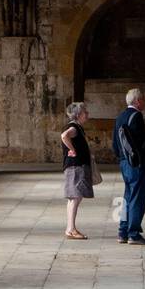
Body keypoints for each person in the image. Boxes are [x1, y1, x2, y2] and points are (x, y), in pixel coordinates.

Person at [113, 88, 145, 245]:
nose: (144, 102)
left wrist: (122, 158)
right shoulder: (137, 116)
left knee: (127, 197)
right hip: (136, 163)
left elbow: (115, 144)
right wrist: (143, 158)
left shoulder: (120, 116)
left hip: (124, 162)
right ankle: (134, 233)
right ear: (137, 101)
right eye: (143, 99)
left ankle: (122, 231)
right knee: (138, 197)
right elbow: (142, 141)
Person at [61, 101, 94, 239]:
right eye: (85, 112)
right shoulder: (73, 127)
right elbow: (64, 136)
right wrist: (73, 150)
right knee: (75, 197)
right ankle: (71, 229)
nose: (87, 114)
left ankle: (70, 228)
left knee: (73, 198)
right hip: (76, 166)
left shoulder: (77, 127)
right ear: (79, 114)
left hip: (75, 166)